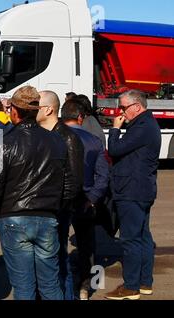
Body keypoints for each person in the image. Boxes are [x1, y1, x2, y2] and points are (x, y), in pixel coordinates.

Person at [0, 86, 66, 300]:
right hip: (46, 216)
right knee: (50, 284)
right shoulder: (56, 140)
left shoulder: (3, 143)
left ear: (15, 111)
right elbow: (66, 182)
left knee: (24, 287)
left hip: (13, 217)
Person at [105, 90, 161, 300]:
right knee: (143, 237)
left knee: (130, 240)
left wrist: (114, 130)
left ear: (137, 106)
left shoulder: (142, 127)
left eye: (123, 107)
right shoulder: (144, 125)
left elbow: (115, 150)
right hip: (140, 189)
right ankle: (145, 282)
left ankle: (131, 287)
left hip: (132, 191)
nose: (120, 112)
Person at [36, 91, 84, 300]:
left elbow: (73, 181)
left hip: (57, 212)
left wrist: (57, 209)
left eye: (35, 105)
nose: (31, 109)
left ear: (48, 109)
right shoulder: (39, 134)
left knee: (59, 259)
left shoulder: (68, 137)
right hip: (41, 211)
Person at [62, 99, 110, 300]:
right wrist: (92, 198)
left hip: (61, 200)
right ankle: (86, 286)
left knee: (57, 244)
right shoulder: (93, 141)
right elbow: (103, 175)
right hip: (85, 199)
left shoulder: (53, 138)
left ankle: (61, 286)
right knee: (87, 245)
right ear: (80, 117)